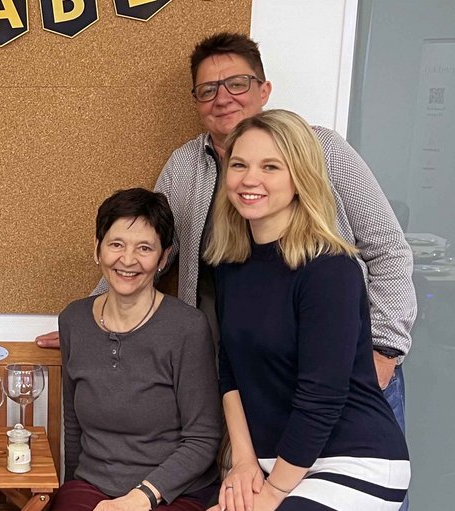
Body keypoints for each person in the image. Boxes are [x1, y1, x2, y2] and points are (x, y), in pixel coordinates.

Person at [36, 32, 415, 432]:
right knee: (258, 486)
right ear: (196, 102)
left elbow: (388, 250)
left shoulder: (325, 150)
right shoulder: (183, 166)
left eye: (237, 84)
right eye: (208, 90)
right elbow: (147, 247)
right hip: (246, 379)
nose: (223, 98)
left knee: (356, 480)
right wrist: (95, 319)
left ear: (264, 90)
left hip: (340, 372)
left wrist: (384, 349)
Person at [206, 110, 409, 511]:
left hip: (352, 460)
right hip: (273, 461)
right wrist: (243, 462)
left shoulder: (330, 270)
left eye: (271, 167)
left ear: (300, 178)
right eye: (240, 165)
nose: (250, 179)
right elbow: (229, 370)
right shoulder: (230, 265)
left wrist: (274, 494)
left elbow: (322, 397)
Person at [54, 188, 221, 511]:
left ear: (163, 258)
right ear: (97, 249)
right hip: (93, 486)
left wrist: (139, 497)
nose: (127, 260)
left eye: (144, 248)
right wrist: (73, 489)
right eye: (116, 244)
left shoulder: (187, 327)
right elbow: (73, 424)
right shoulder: (73, 320)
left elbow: (202, 439)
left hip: (174, 492)